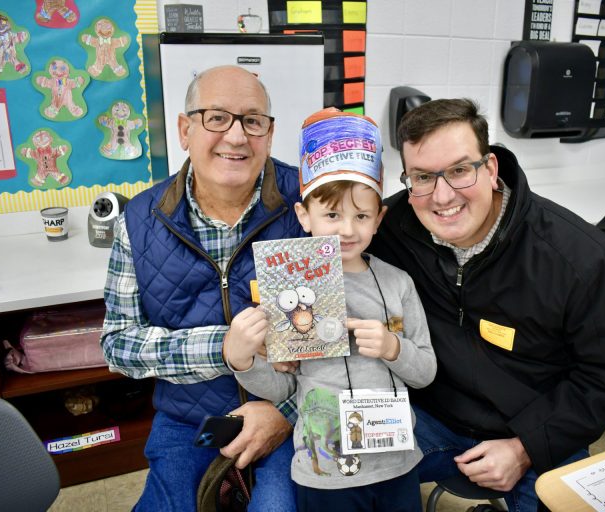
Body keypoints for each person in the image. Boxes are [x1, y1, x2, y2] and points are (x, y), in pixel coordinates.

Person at [369, 98, 605, 512]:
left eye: (460, 170)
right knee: (338, 470)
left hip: (540, 427)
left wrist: (525, 447)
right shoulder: (392, 228)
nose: (442, 195)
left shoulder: (578, 256)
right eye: (423, 177)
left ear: (491, 168)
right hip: (429, 418)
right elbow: (332, 227)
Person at [101, 65, 305, 511]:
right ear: (184, 129)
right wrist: (223, 349)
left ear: (269, 135)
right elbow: (118, 343)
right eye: (216, 117)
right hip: (187, 416)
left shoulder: (310, 205)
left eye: (252, 120)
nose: (236, 137)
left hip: (295, 408)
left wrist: (286, 413)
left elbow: (349, 329)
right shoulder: (139, 220)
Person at [226, 108, 437, 511]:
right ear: (305, 217)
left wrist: (394, 347)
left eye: (361, 215)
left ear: (379, 219)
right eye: (332, 214)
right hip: (324, 472)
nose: (347, 229)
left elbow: (425, 372)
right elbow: (283, 388)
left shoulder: (398, 283)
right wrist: (242, 359)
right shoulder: (290, 286)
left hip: (397, 464)